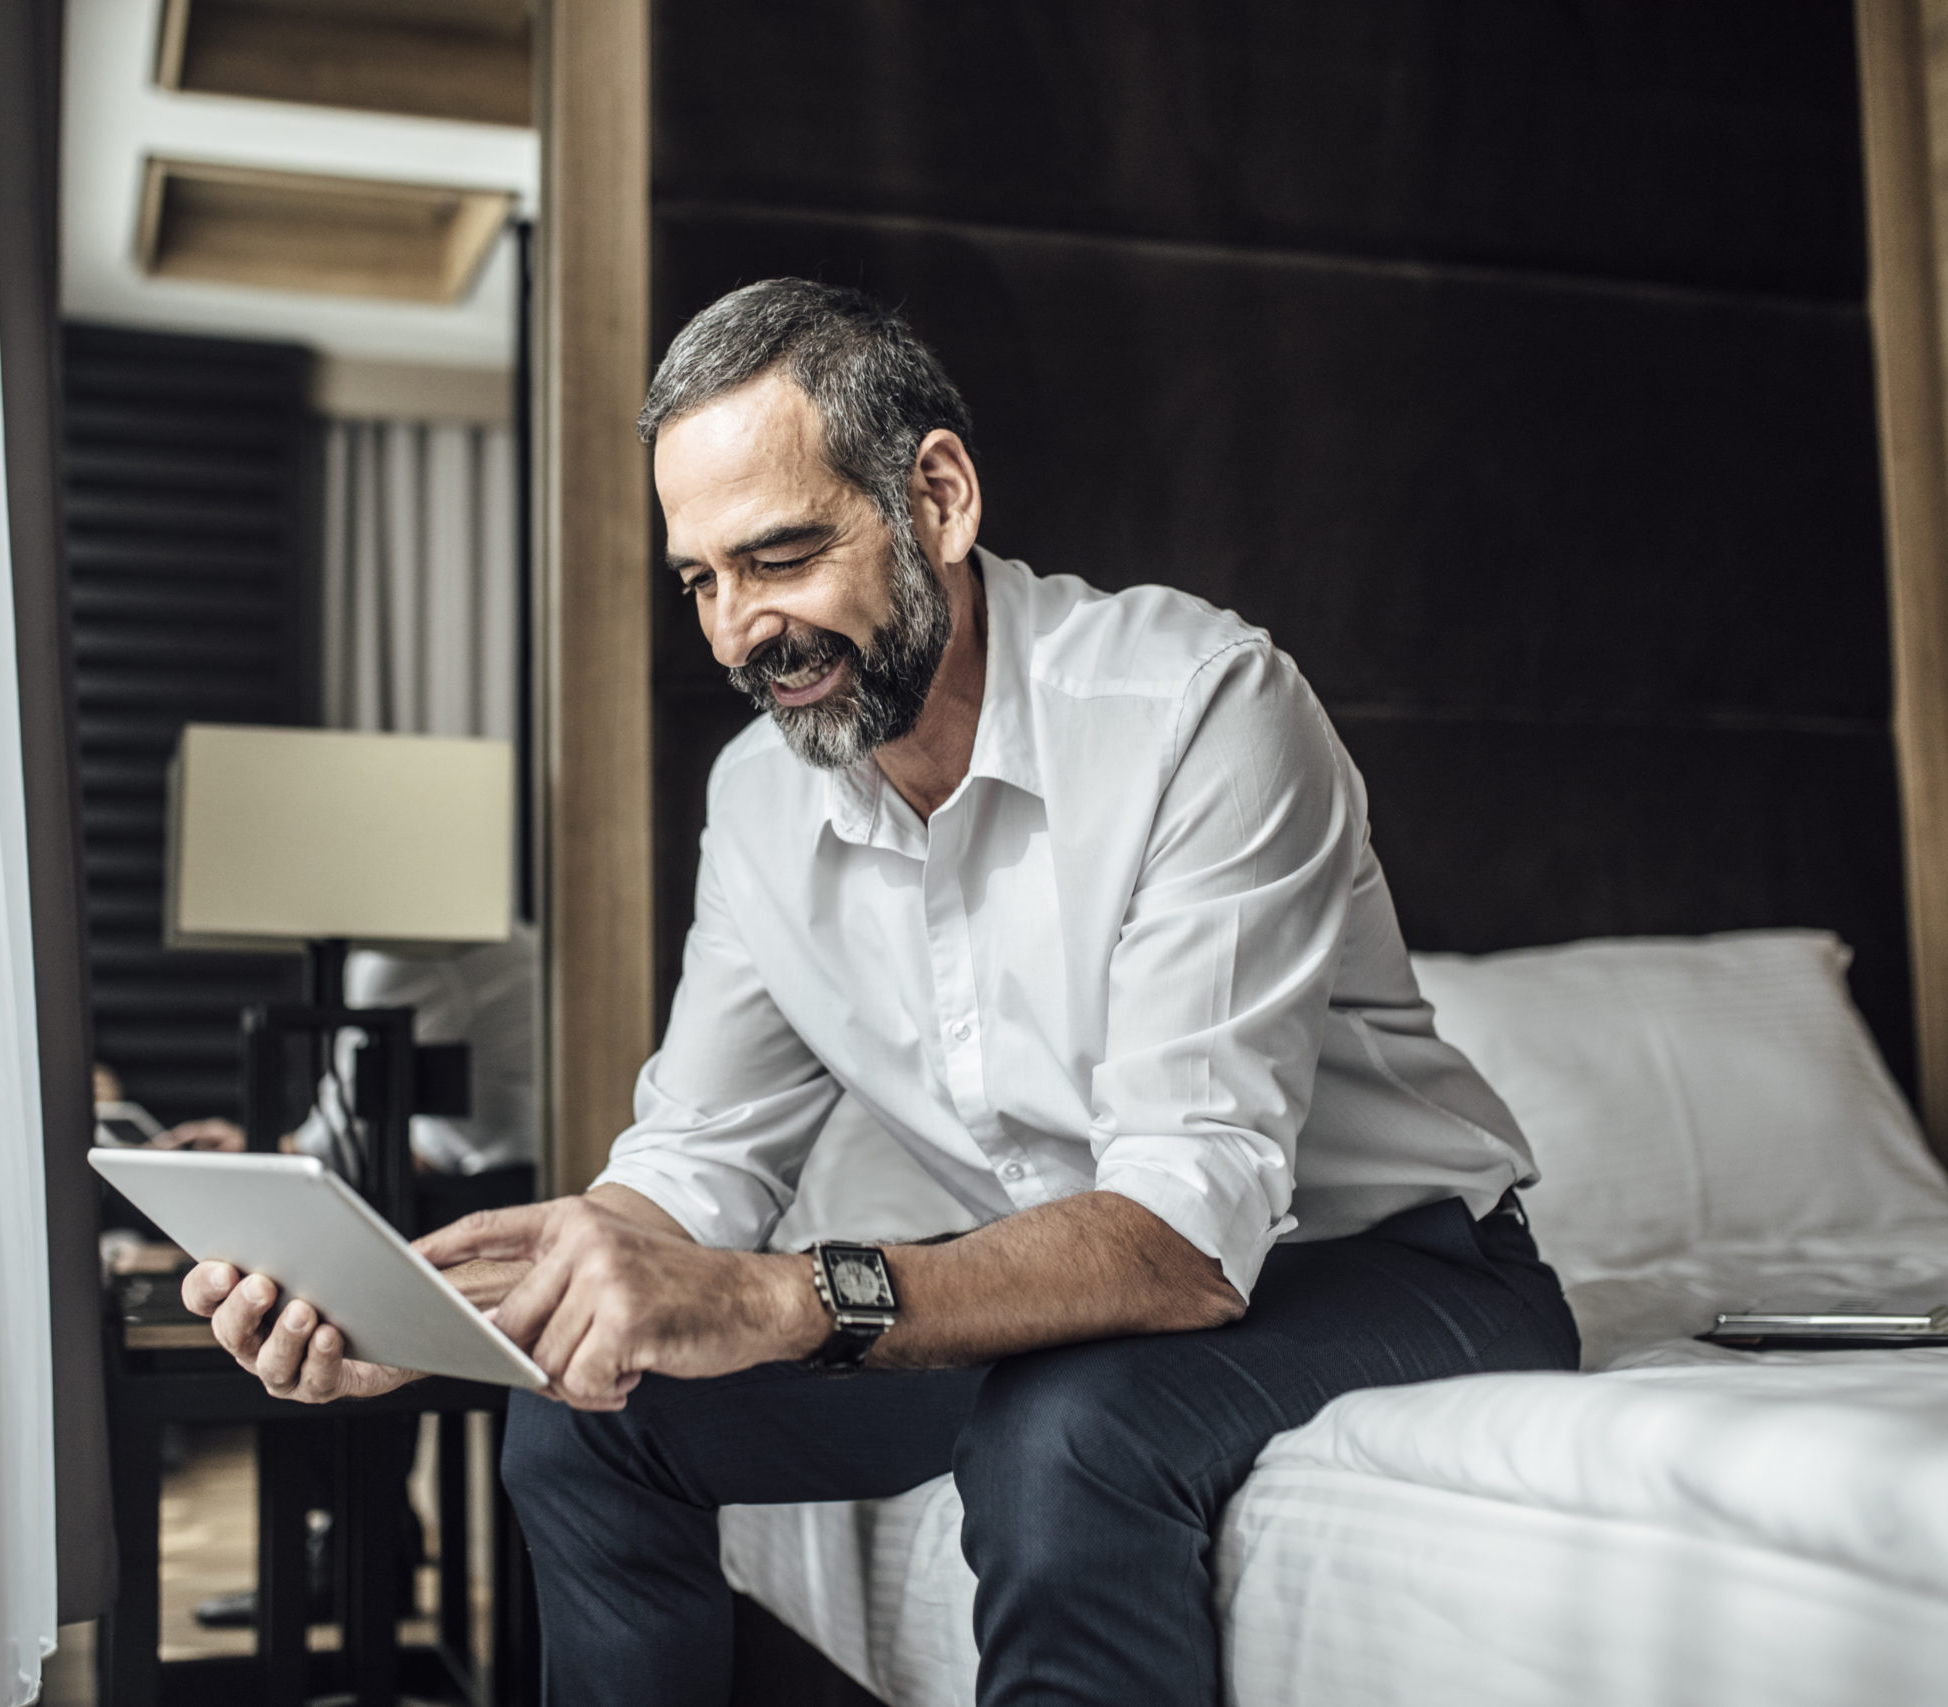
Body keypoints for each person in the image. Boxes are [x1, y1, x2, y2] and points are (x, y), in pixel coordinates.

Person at [184, 280, 1580, 1706]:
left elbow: (1180, 1239)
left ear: (940, 498)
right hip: (1067, 1294)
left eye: (781, 557)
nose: (738, 635)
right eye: (702, 582)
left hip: (1397, 1265)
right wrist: (420, 1312)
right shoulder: (761, 803)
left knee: (1061, 1437)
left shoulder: (1201, 710)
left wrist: (787, 1299)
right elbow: (697, 1162)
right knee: (582, 1427)